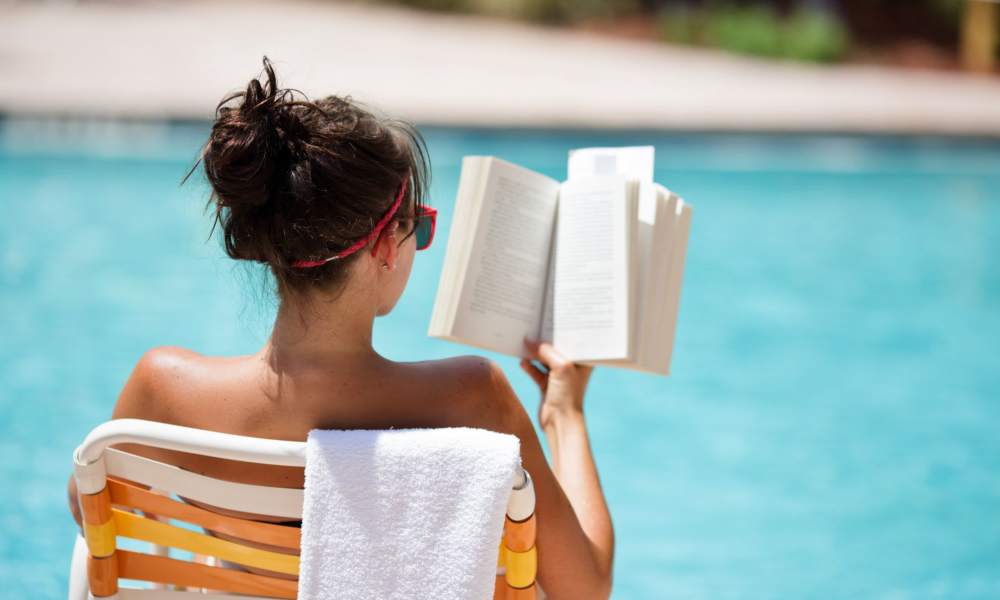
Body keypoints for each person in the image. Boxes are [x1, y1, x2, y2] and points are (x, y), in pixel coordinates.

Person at [66, 57, 614, 599]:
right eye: (417, 228)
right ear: (382, 247)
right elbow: (587, 588)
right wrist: (565, 414)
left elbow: (89, 509)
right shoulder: (473, 400)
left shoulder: (162, 391)